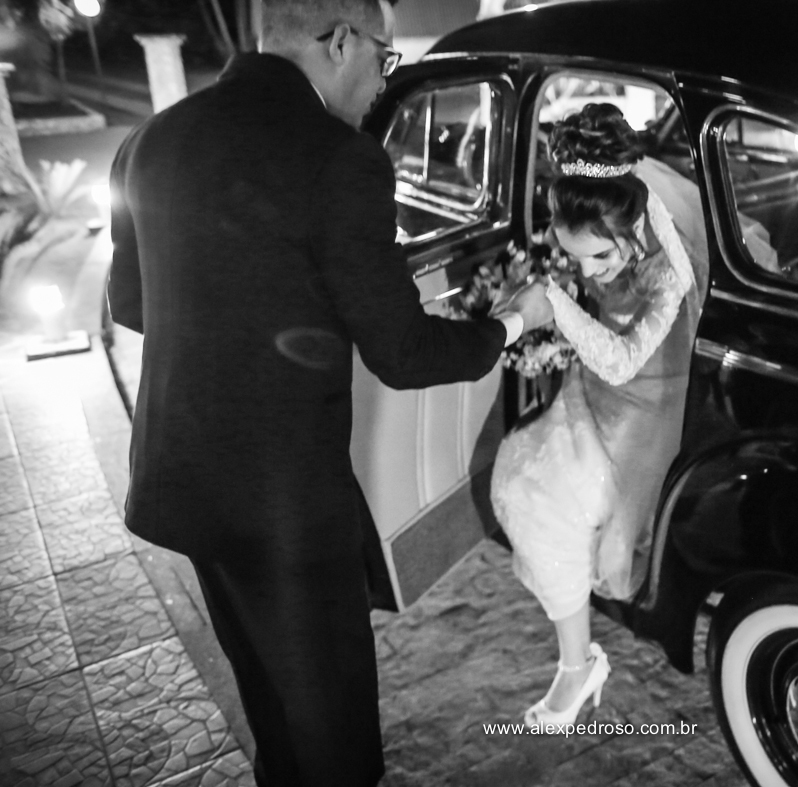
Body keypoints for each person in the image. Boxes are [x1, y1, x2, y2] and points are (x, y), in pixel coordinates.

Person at [105, 0, 549, 783]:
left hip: (183, 474)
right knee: (333, 717)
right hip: (283, 500)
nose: (382, 79)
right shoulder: (340, 158)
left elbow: (132, 303)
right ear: (340, 41)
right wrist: (515, 320)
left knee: (265, 682)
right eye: (384, 57)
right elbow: (404, 353)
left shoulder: (151, 139)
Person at [490, 103, 709, 726]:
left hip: (650, 404)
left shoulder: (670, 272)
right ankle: (576, 661)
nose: (587, 272)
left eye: (601, 260)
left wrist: (555, 305)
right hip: (596, 390)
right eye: (575, 258)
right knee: (522, 477)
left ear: (635, 229)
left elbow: (621, 360)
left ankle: (577, 667)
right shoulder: (610, 217)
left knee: (557, 510)